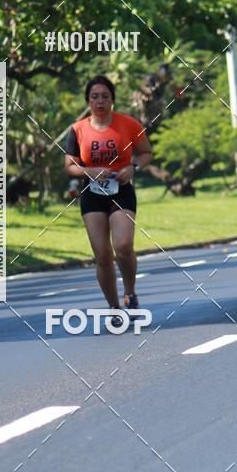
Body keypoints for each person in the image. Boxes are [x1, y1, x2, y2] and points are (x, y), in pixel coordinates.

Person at [64, 75, 152, 320]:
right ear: (88, 101)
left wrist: (133, 168)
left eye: (105, 96)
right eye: (95, 97)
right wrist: (87, 171)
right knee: (102, 254)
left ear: (112, 99)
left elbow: (146, 153)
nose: (100, 101)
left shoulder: (129, 124)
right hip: (92, 194)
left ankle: (130, 293)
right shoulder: (77, 129)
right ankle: (114, 307)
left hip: (121, 190)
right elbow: (69, 166)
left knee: (123, 246)